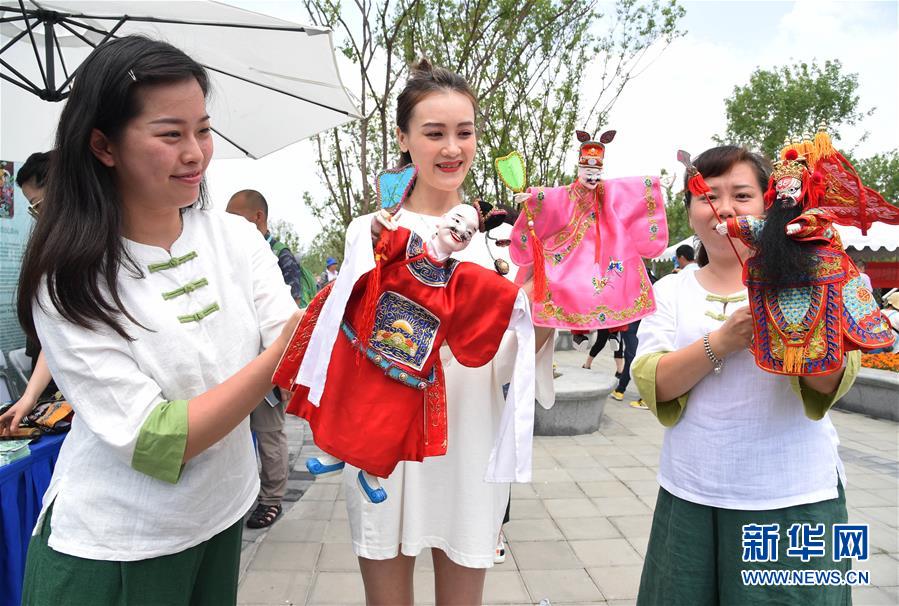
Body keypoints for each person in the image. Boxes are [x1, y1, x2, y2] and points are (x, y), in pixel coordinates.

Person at [14, 36, 300, 604]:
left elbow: (295, 343)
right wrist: (289, 350)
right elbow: (158, 441)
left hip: (221, 518)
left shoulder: (236, 238)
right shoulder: (70, 279)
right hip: (118, 548)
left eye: (203, 129)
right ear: (103, 145)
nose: (195, 152)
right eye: (171, 134)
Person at [335, 58, 555, 605]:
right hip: (384, 442)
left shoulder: (502, 246)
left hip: (469, 438)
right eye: (434, 133)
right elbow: (359, 343)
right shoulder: (371, 233)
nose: (451, 148)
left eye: (465, 132)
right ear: (404, 139)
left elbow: (510, 362)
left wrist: (549, 310)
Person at [632, 146, 859, 605]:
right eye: (707, 195)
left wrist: (802, 328)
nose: (725, 209)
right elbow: (654, 381)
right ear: (690, 209)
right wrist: (726, 340)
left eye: (742, 194)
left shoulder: (812, 277)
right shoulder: (670, 290)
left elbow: (830, 384)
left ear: (769, 202)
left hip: (794, 496)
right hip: (693, 491)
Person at [226, 189, 306, 528]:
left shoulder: (280, 257)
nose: (231, 228)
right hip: (234, 364)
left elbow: (286, 321)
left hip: (266, 364)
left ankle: (272, 499)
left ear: (258, 218)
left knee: (270, 433)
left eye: (238, 220)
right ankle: (239, 496)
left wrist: (285, 372)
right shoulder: (231, 255)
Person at [0, 153, 59, 437]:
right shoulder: (52, 245)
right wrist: (30, 397)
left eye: (38, 204)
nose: (37, 215)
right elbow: (60, 334)